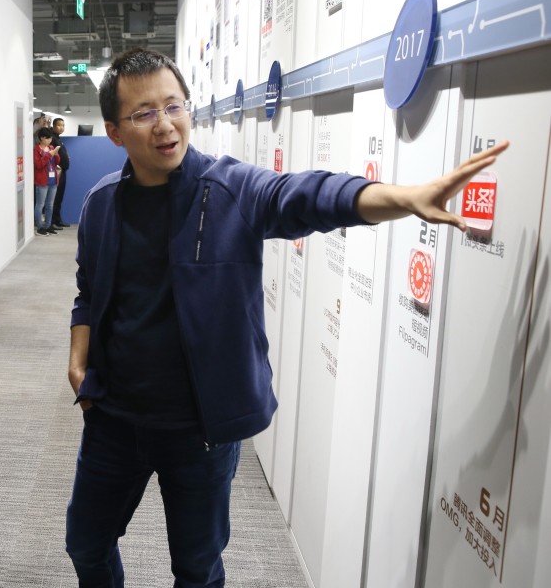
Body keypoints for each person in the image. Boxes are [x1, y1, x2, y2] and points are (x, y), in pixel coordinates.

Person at [65, 47, 508, 588]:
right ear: (114, 132)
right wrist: (79, 361)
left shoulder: (229, 189)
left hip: (200, 430)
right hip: (114, 419)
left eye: (174, 105)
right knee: (85, 545)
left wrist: (402, 197)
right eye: (144, 113)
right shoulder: (101, 203)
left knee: (197, 569)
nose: (165, 124)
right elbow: (89, 291)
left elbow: (306, 195)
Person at [33, 127, 60, 235]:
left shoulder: (51, 147)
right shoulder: (36, 150)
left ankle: (48, 225)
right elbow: (38, 165)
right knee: (40, 204)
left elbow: (57, 162)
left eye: (51, 138)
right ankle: (40, 227)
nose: (50, 140)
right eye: (48, 138)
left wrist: (56, 154)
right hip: (42, 181)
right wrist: (49, 154)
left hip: (53, 180)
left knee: (50, 205)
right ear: (42, 138)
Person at [50, 117, 71, 227]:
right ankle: (52, 221)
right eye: (59, 125)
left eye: (63, 125)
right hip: (57, 171)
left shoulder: (58, 139)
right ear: (53, 126)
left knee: (59, 197)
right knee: (55, 197)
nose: (61, 127)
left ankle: (57, 219)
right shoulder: (52, 139)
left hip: (63, 171)